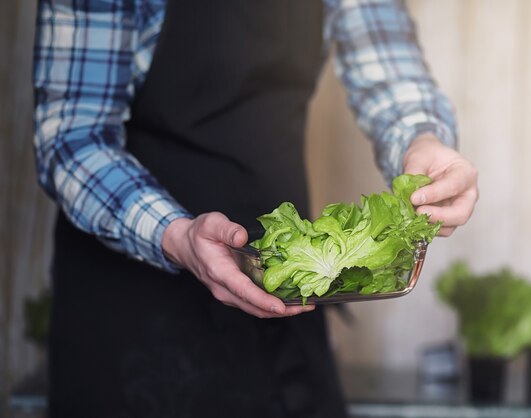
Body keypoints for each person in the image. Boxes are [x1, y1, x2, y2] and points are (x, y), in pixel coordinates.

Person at [33, 0, 478, 417]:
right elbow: (73, 138)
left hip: (283, 284)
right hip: (131, 305)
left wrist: (424, 141)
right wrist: (175, 234)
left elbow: (390, 67)